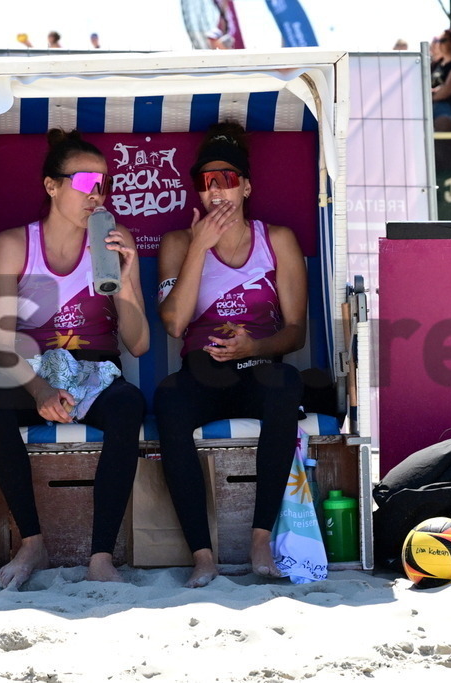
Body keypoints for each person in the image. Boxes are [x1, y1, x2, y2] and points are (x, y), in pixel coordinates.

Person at [0, 129, 149, 588]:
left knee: (129, 404)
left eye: (104, 184)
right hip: (30, 366)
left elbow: (139, 344)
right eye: (85, 182)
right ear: (52, 186)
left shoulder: (114, 240)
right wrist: (38, 389)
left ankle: (101, 555)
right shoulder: (14, 244)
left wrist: (128, 281)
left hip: (94, 368)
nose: (97, 195)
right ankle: (31, 541)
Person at [154, 122, 307, 588]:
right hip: (202, 372)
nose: (216, 191)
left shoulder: (276, 239)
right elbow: (175, 325)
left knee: (287, 388)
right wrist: (199, 248)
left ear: (245, 186)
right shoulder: (178, 243)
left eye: (226, 180)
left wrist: (255, 346)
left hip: (258, 368)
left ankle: (260, 539)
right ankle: (203, 554)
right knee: (168, 401)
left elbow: (296, 332)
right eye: (206, 182)